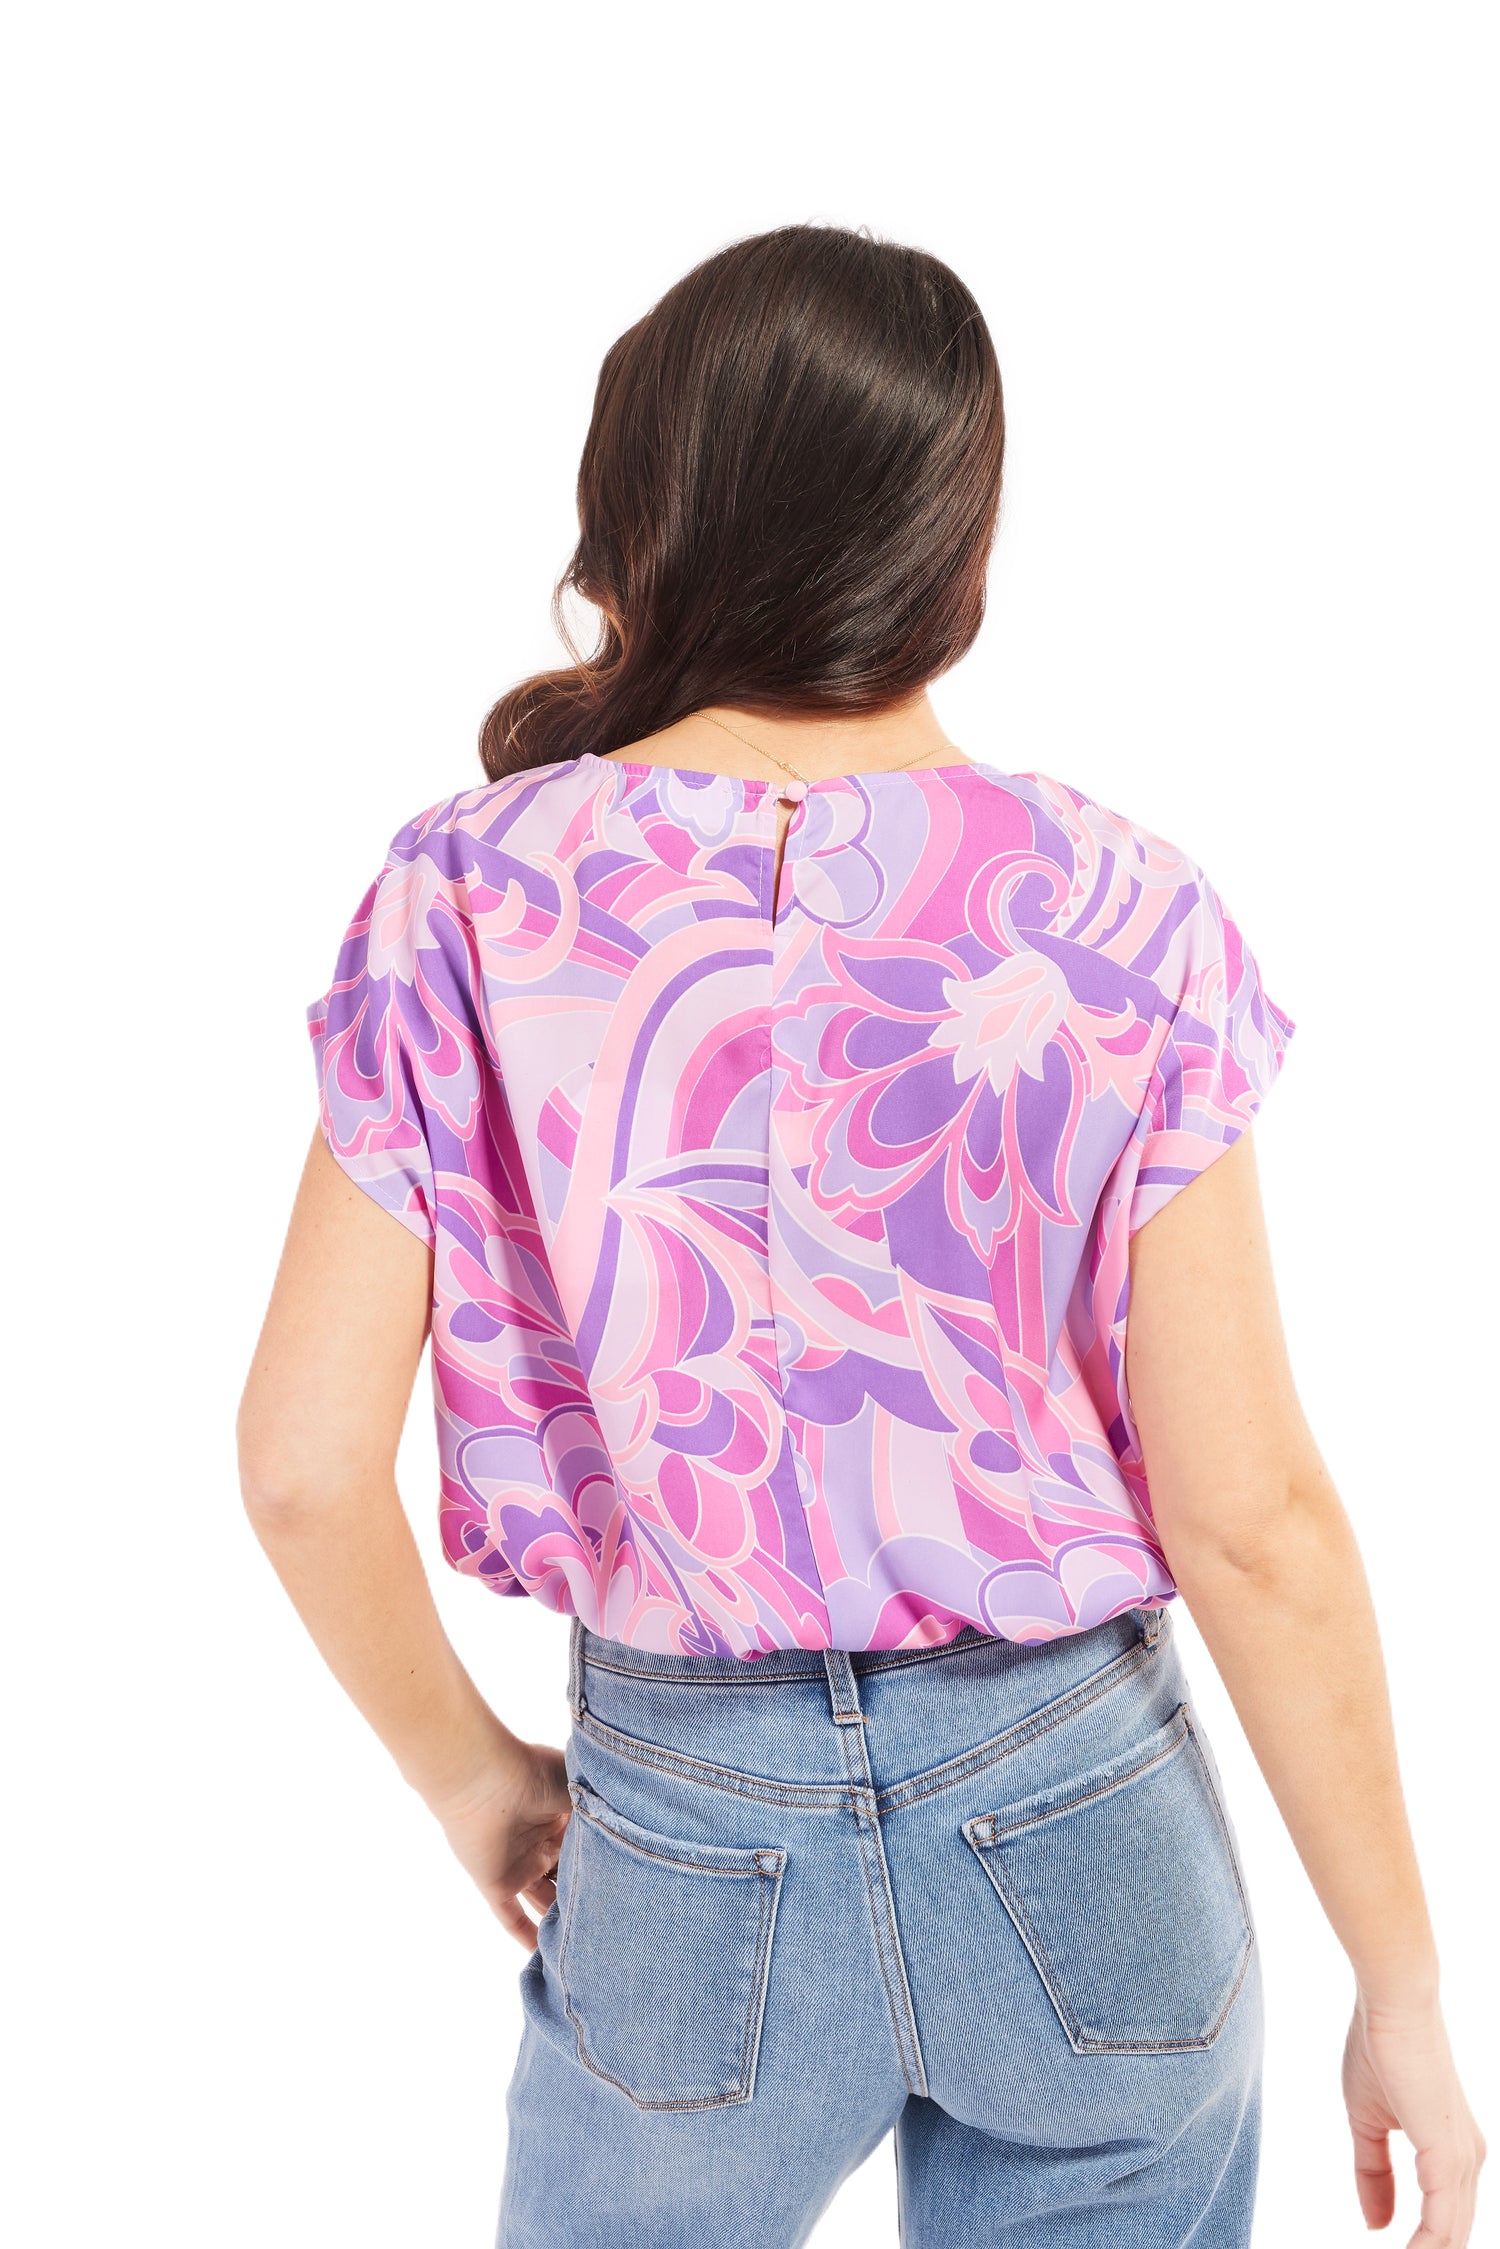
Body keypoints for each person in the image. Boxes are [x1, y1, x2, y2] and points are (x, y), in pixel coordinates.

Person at [236, 223, 1484, 2248]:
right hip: (1082, 1814)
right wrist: (1403, 1981)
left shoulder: (467, 899)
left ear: (637, 508)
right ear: (955, 545)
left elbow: (300, 1466)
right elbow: (1252, 1518)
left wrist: (475, 1778)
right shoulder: (1123, 914)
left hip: (684, 1833)